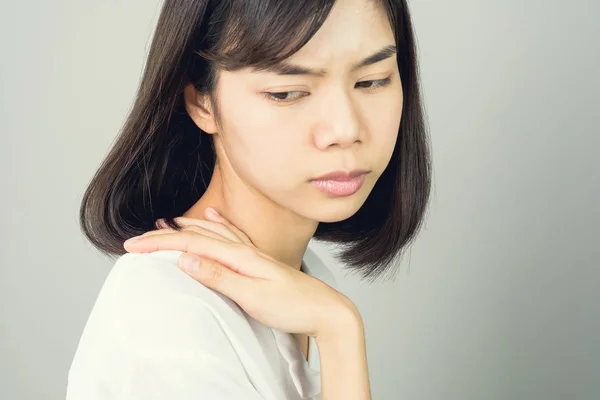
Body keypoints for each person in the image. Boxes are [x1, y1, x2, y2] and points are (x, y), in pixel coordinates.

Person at [67, 0, 431, 398]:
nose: (345, 129)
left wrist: (336, 328)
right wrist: (339, 326)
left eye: (372, 81)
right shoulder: (169, 317)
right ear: (201, 100)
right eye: (287, 92)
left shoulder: (302, 281)